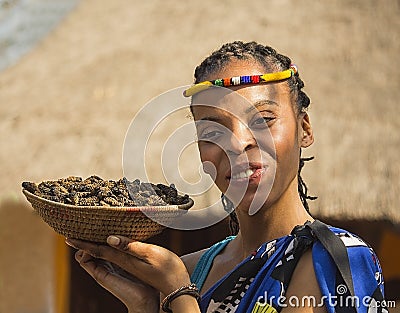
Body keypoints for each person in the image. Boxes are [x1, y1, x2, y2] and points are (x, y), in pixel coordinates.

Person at [66, 41, 386, 313]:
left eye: (263, 118)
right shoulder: (193, 269)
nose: (237, 142)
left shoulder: (335, 261)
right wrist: (147, 307)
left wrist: (182, 296)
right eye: (212, 130)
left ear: (304, 128)